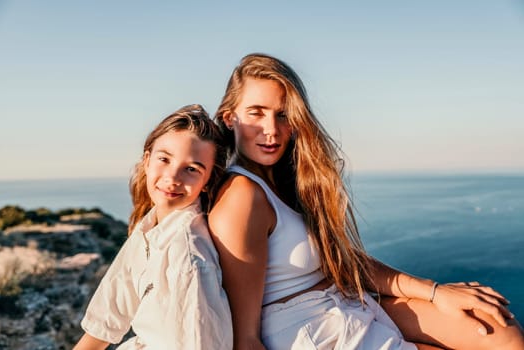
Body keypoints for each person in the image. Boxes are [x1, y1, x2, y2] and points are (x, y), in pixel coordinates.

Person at [208, 53, 524, 350]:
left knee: (496, 329)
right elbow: (245, 336)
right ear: (229, 117)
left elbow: (342, 262)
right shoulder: (243, 196)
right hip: (313, 331)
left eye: (283, 114)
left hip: (347, 306)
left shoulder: (282, 182)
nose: (272, 129)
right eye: (256, 113)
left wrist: (436, 291)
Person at [74, 105, 233, 349]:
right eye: (164, 159)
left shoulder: (188, 256)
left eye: (191, 169)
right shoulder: (149, 227)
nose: (172, 177)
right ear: (147, 161)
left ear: (207, 180)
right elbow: (105, 322)